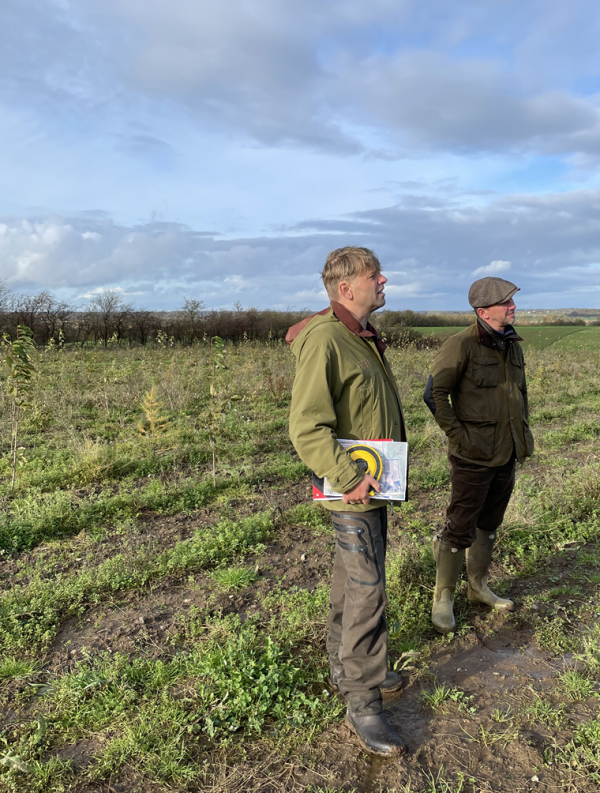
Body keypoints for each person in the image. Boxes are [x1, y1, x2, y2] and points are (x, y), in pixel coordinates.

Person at [287, 247, 407, 757]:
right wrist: (346, 476)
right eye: (373, 276)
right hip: (352, 491)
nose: (384, 281)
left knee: (350, 583)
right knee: (368, 591)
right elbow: (306, 427)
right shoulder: (326, 341)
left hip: (369, 489)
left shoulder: (359, 337)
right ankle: (363, 700)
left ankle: (347, 667)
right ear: (345, 288)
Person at [423, 276, 534, 634]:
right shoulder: (461, 345)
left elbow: (520, 393)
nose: (513, 307)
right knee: (460, 527)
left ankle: (478, 587)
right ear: (483, 310)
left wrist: (524, 430)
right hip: (473, 454)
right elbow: (435, 395)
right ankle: (444, 598)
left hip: (507, 450)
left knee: (490, 524)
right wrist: (459, 436)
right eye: (507, 303)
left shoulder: (512, 346)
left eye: (512, 302)